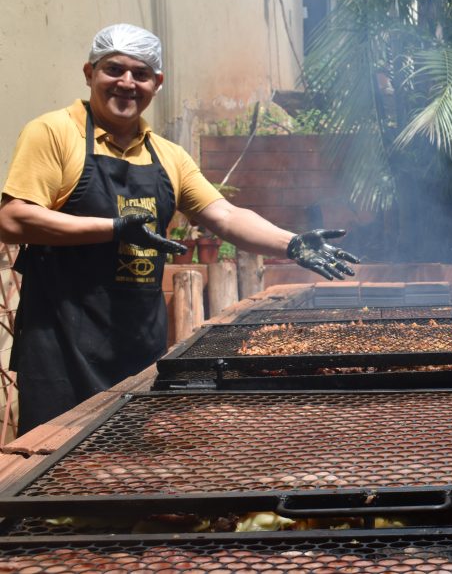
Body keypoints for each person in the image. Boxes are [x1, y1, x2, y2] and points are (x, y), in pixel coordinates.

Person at [0, 23, 360, 435]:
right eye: (113, 70)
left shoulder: (169, 156)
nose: (126, 83)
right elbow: (12, 219)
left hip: (135, 343)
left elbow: (224, 215)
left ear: (157, 83)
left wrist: (291, 242)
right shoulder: (53, 132)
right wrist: (114, 228)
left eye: (140, 74)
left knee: (133, 468)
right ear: (89, 73)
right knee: (59, 472)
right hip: (60, 345)